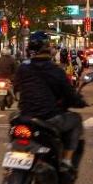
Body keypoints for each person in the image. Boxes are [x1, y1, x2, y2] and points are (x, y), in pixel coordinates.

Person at [14, 31, 88, 170]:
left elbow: (16, 88)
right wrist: (79, 101)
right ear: (48, 48)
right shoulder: (55, 70)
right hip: (48, 116)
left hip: (25, 115)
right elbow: (69, 94)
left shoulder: (23, 68)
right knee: (76, 119)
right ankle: (66, 160)